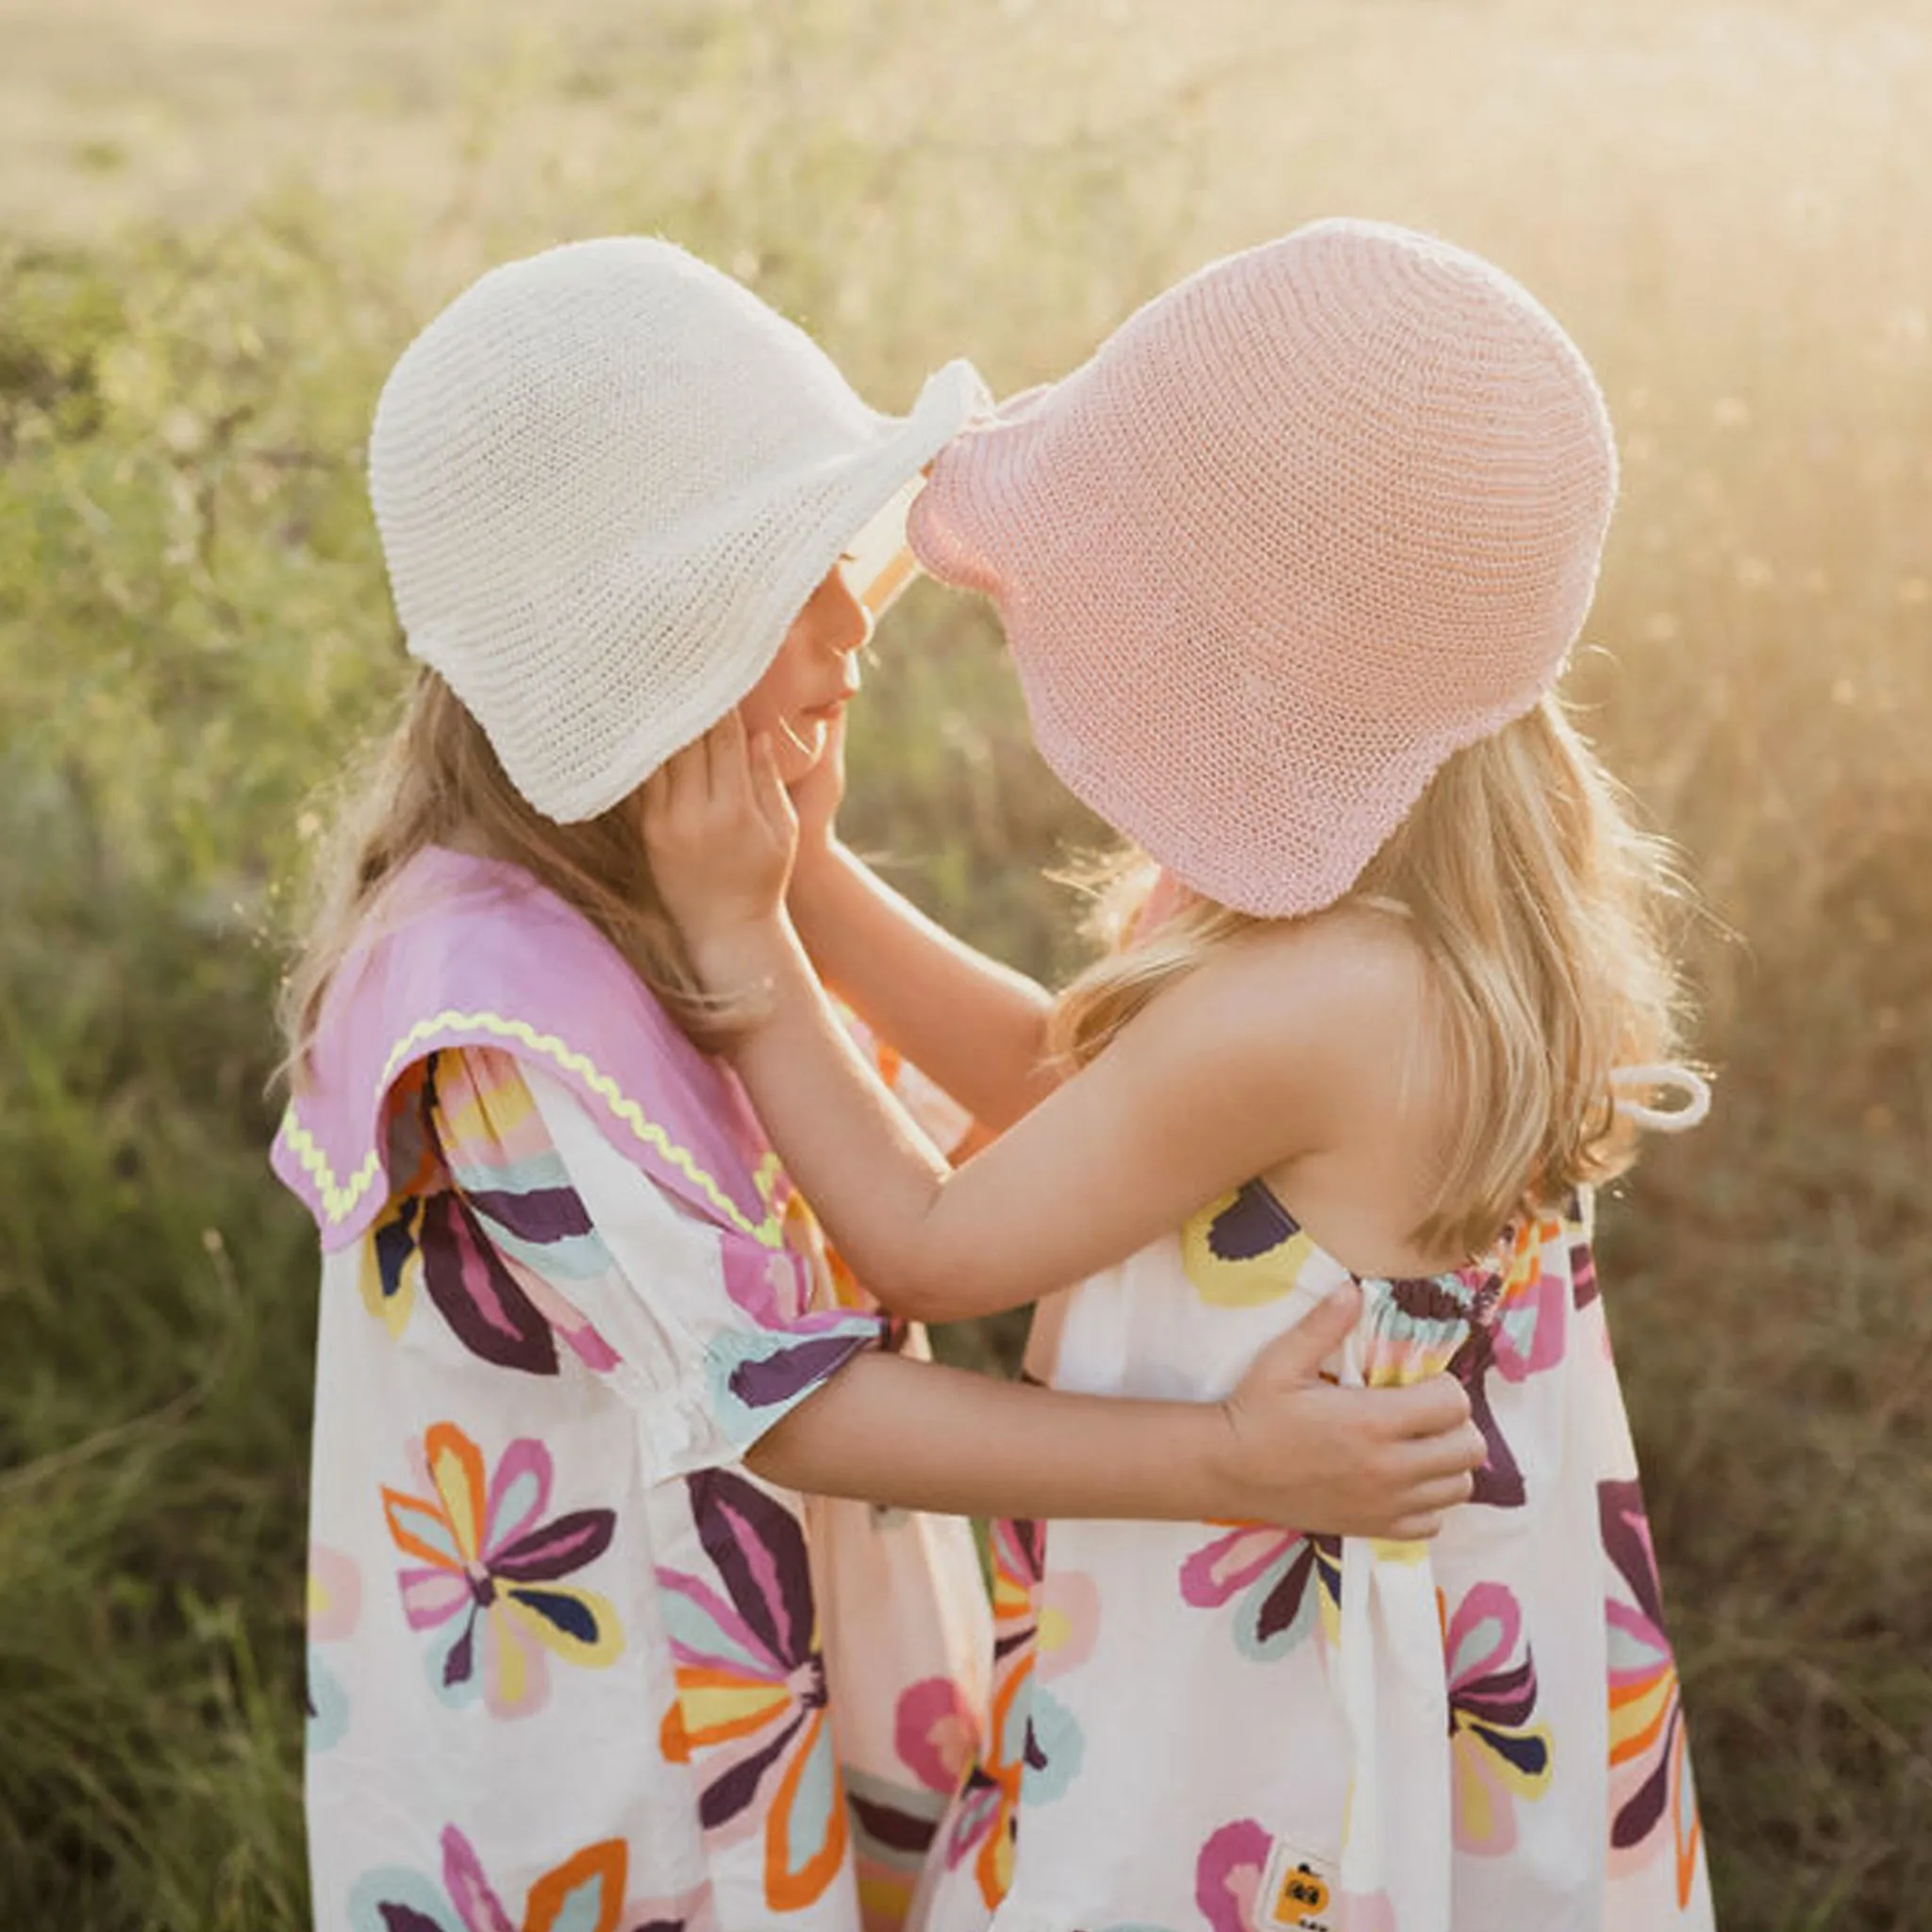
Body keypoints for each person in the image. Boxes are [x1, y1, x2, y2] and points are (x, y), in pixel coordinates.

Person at [270, 237, 1485, 1932]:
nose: (858, 633)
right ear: (653, 647)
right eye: (795, 589)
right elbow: (793, 1401)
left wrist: (803, 889)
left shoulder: (685, 895)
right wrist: (1230, 1461)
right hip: (626, 1727)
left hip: (773, 1631)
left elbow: (1037, 1119)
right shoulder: (500, 1016)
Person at [640, 219, 1719, 1932]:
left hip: (1256, 1699)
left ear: (1242, 657)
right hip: (1292, 1589)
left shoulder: (1330, 996)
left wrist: (743, 947)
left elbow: (935, 1242)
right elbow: (1076, 1103)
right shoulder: (1391, 885)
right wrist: (818, 885)